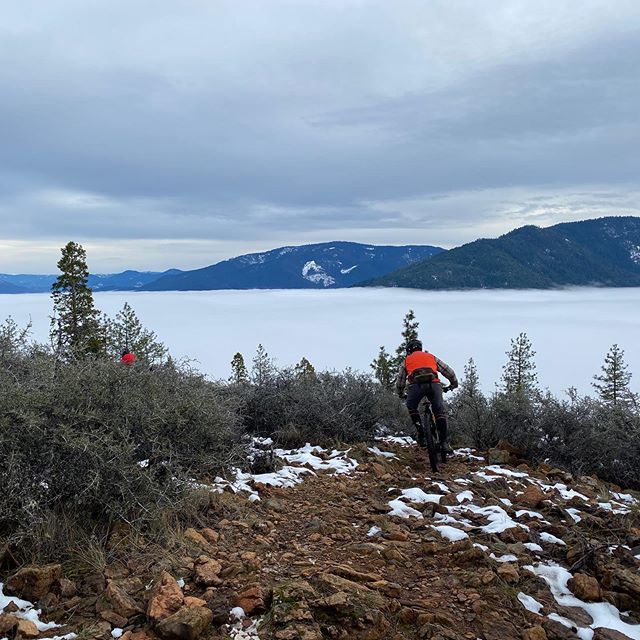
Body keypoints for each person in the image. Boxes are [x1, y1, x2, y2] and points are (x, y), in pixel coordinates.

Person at [396, 339, 458, 454]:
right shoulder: (431, 357)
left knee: (411, 406)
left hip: (415, 387)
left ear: (409, 350)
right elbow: (449, 372)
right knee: (439, 411)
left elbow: (400, 382)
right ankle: (444, 442)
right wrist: (453, 384)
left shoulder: (406, 361)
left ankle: (422, 435)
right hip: (434, 385)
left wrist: (401, 394)